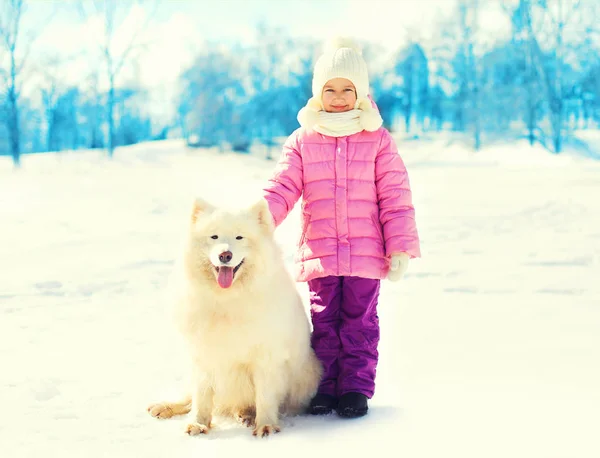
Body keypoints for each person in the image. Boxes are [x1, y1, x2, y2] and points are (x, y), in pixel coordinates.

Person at [263, 37, 421, 418]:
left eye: (347, 89)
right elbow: (283, 186)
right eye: (329, 89)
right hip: (321, 251)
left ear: (361, 91)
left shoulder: (378, 140)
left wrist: (398, 247)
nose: (338, 97)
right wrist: (257, 222)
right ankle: (324, 387)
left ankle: (354, 389)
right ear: (318, 93)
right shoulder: (302, 140)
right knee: (324, 323)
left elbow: (395, 196)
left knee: (360, 323)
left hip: (366, 255)